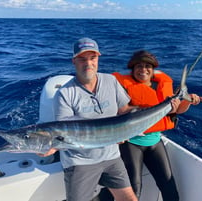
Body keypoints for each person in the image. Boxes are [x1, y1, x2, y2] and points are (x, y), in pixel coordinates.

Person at [45, 38, 138, 201]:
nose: (88, 63)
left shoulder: (111, 81)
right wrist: (52, 147)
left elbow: (124, 111)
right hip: (80, 161)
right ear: (74, 61)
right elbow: (63, 133)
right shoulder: (65, 94)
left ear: (98, 59)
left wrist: (163, 108)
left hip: (111, 156)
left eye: (93, 58)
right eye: (82, 58)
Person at [109, 50, 202, 201]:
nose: (143, 70)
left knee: (169, 185)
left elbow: (176, 110)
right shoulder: (121, 87)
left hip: (154, 141)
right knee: (133, 189)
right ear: (132, 69)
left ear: (153, 69)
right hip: (130, 143)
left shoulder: (161, 85)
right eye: (138, 66)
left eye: (147, 66)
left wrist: (187, 101)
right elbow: (116, 111)